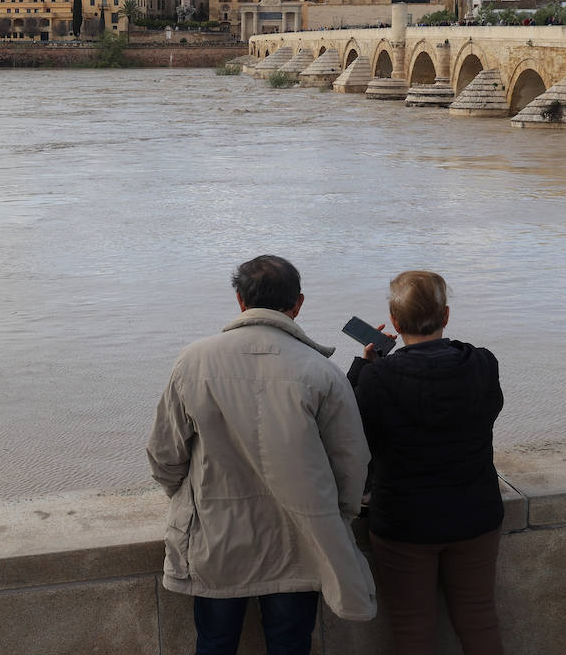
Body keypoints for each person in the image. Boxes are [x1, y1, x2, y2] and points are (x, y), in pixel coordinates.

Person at [147, 255, 376, 655]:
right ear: (297, 304)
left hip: (216, 539)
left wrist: (188, 500)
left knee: (215, 644)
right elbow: (351, 464)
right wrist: (337, 517)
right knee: (290, 645)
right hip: (299, 543)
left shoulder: (193, 361)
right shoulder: (322, 372)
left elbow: (164, 454)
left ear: (240, 300)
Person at [348, 271, 504, 654]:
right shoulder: (482, 364)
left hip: (404, 521)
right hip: (476, 514)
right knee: (479, 620)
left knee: (413, 630)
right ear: (446, 315)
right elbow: (488, 409)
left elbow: (353, 435)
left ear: (395, 322)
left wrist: (365, 367)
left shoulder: (378, 378)